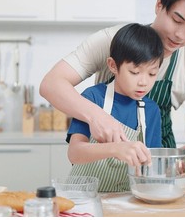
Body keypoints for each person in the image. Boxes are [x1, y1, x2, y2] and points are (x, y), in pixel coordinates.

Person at [40, 0, 185, 175]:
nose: (180, 35)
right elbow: (51, 84)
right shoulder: (112, 41)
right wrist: (97, 117)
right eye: (177, 21)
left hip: (154, 172)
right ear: (159, 4)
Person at [66, 23, 164, 192]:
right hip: (84, 197)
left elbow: (153, 162)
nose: (144, 82)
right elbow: (74, 153)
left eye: (152, 74)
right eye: (134, 72)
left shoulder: (151, 110)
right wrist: (115, 149)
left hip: (125, 198)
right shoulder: (93, 98)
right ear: (113, 66)